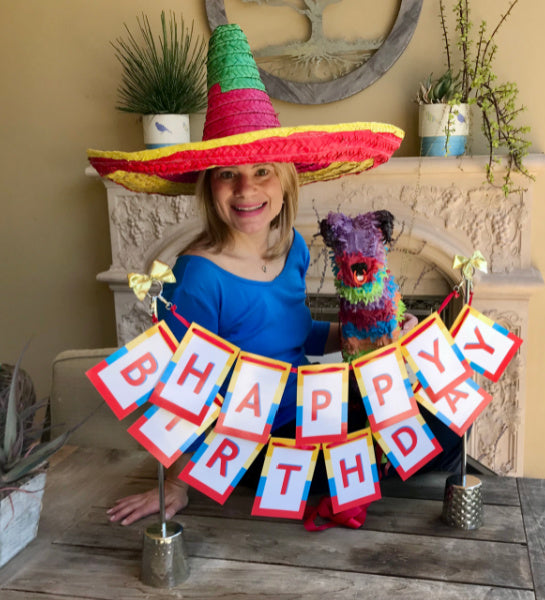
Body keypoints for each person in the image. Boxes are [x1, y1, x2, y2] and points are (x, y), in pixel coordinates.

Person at [89, 23, 423, 526]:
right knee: (398, 448)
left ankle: (358, 469)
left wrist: (369, 340)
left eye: (262, 170)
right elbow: (182, 389)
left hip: (312, 406)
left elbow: (287, 333)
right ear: (209, 187)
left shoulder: (290, 251)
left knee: (426, 409)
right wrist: (177, 482)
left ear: (286, 184)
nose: (247, 188)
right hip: (253, 444)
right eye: (228, 174)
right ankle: (336, 486)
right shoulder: (196, 278)